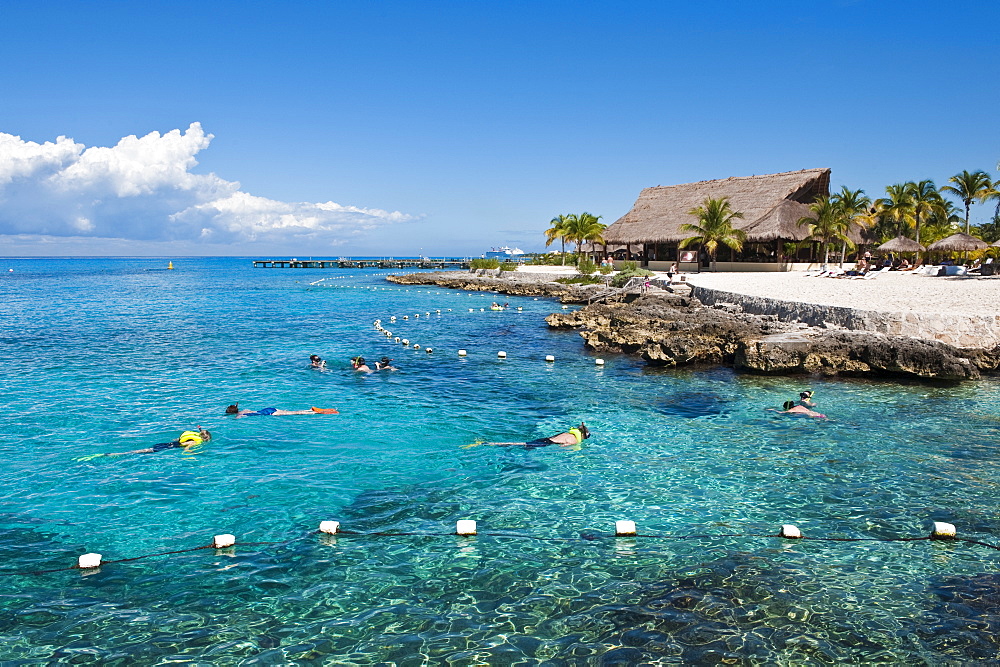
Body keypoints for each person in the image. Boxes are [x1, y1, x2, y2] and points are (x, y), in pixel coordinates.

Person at [75, 427, 211, 460]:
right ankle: (110, 454)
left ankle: (109, 454)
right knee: (135, 452)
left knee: (143, 450)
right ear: (204, 439)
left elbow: (178, 440)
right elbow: (185, 450)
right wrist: (195, 454)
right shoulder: (194, 441)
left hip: (165, 444)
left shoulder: (192, 435)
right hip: (165, 449)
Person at [465, 423, 591, 450]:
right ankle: (484, 443)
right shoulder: (574, 440)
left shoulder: (569, 433)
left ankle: (487, 443)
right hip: (545, 444)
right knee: (518, 444)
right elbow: (563, 446)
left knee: (523, 446)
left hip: (544, 440)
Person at [225, 404, 337, 417]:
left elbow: (238, 418)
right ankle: (310, 410)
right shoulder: (244, 410)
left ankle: (317, 412)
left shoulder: (240, 415)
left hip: (269, 413)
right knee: (293, 412)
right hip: (268, 409)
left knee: (295, 413)